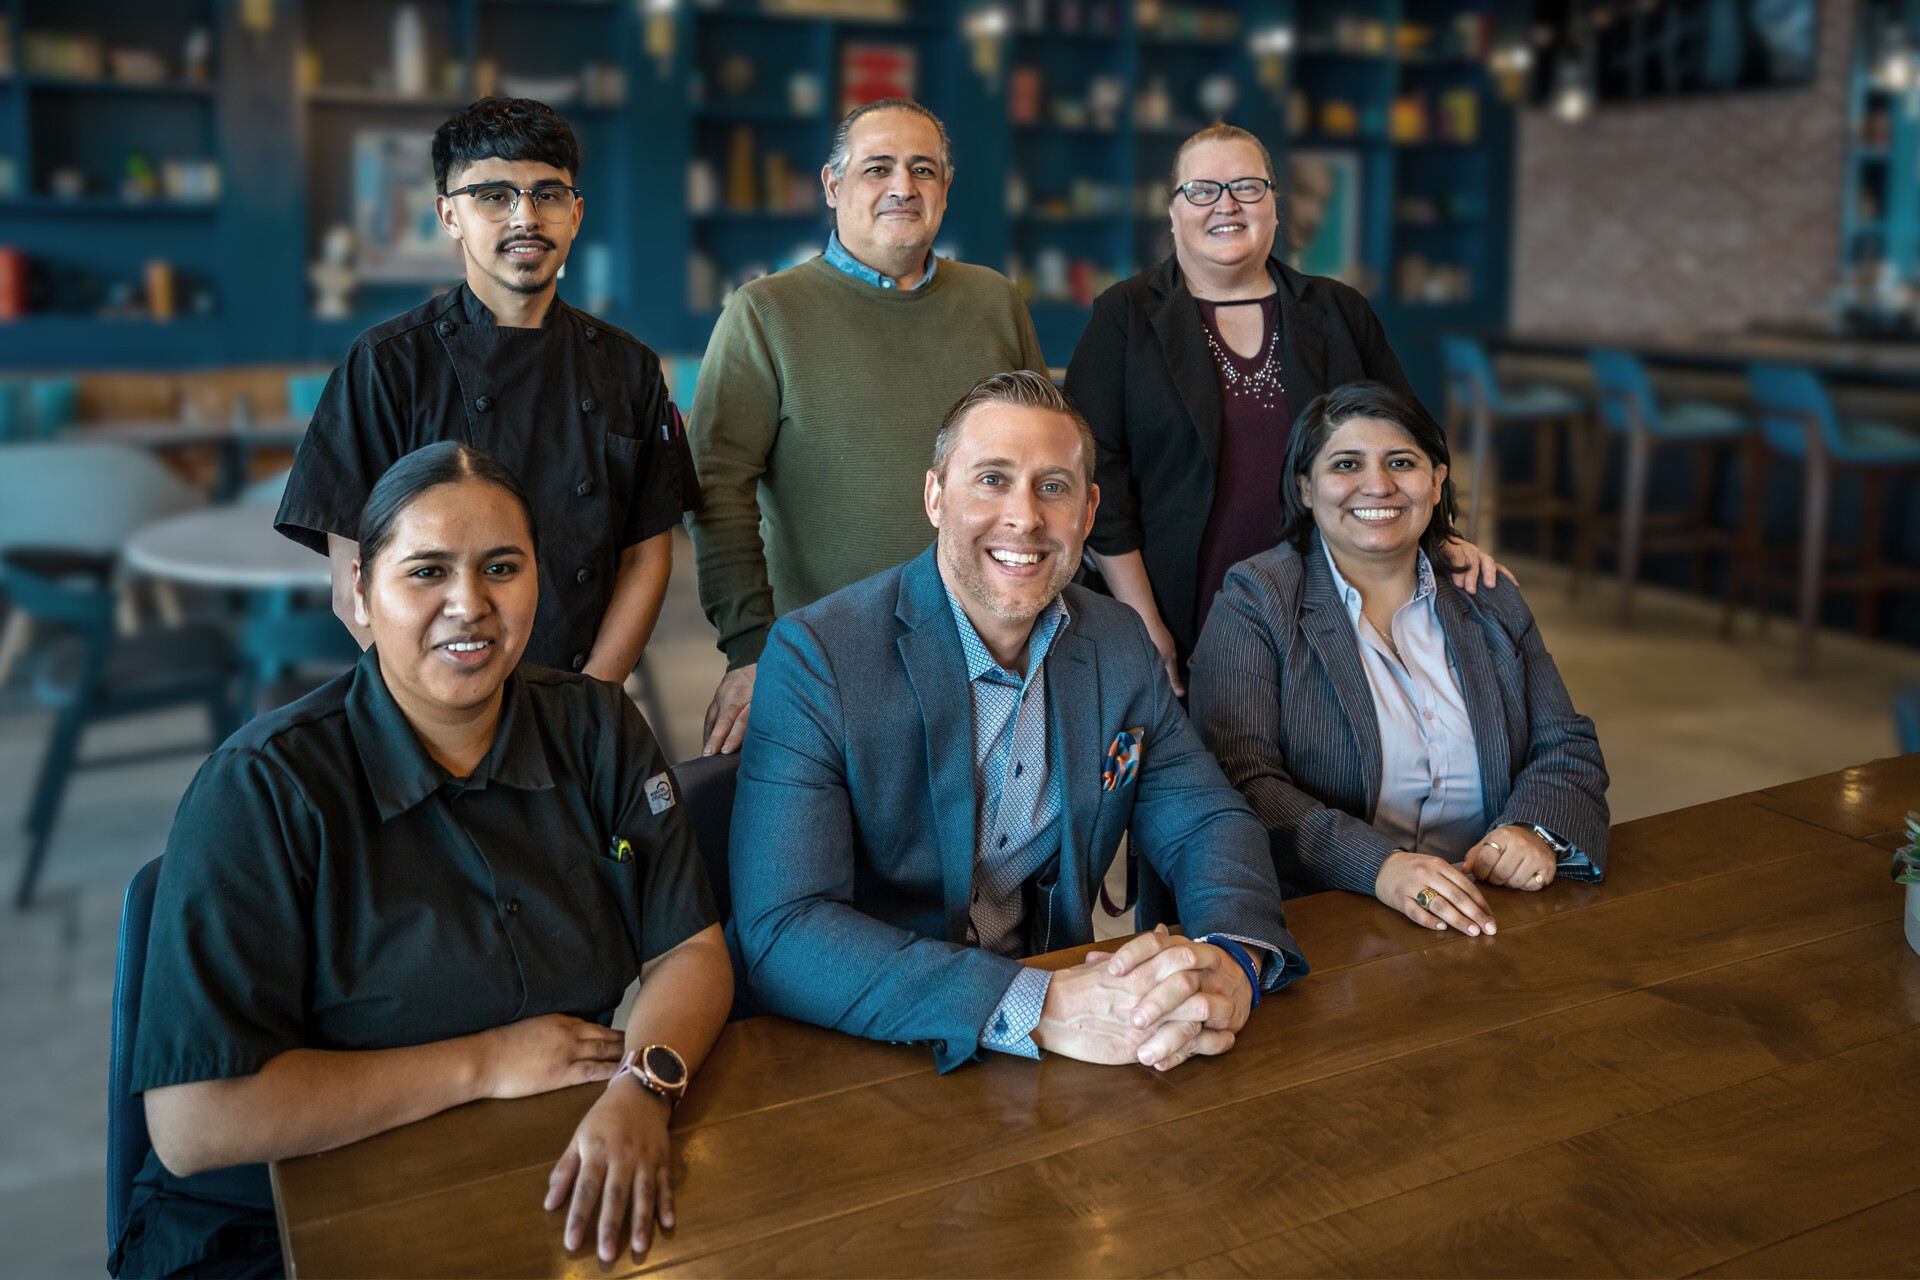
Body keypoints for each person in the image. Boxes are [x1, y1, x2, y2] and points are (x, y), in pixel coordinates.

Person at [115, 444, 732, 1278]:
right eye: (427, 571)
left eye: (501, 568)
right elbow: (196, 1124)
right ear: (360, 593)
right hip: (262, 1228)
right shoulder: (261, 789)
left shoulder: (597, 729)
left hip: (513, 1178)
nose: (468, 604)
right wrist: (486, 1064)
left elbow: (689, 949)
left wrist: (643, 1087)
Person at [729, 371, 1306, 1075]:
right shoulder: (817, 655)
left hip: (1053, 1055)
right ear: (936, 496)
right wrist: (1044, 1004)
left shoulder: (1119, 641)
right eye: (992, 480)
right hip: (862, 1047)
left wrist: (1232, 961)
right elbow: (785, 932)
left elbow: (1205, 820)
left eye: (1054, 487)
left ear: (1089, 512)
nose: (1025, 518)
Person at [1064, 123, 1500, 695]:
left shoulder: (1340, 311)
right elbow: (1098, 478)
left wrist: (1440, 537)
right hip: (1179, 614)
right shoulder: (1124, 316)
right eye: (1201, 190)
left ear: (1274, 207)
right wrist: (1142, 621)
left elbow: (1411, 442)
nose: (1226, 204)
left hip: (1335, 608)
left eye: (1247, 186)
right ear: (1173, 214)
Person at [277, 97, 695, 681]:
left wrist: (589, 701)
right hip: (433, 699)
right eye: (494, 196)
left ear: (575, 214)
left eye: (547, 194)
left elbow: (647, 554)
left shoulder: (630, 367)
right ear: (449, 216)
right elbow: (355, 581)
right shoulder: (386, 363)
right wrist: (437, 703)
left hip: (579, 689)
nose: (526, 218)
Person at [687, 97, 1049, 756]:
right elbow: (716, 491)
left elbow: (1046, 468)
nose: (903, 188)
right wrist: (750, 650)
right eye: (878, 168)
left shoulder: (995, 301)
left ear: (945, 188)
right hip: (829, 661)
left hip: (993, 654)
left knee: (989, 851)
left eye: (923, 170)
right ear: (832, 185)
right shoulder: (766, 312)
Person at [1188, 381, 1609, 938]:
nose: (1378, 485)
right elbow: (1240, 782)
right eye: (1345, 463)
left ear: (1436, 482)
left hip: (1490, 908)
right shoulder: (1257, 600)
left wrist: (1533, 829)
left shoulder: (1487, 594)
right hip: (1332, 917)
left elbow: (1567, 743)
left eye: (1401, 462)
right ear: (1306, 489)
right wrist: (1380, 867)